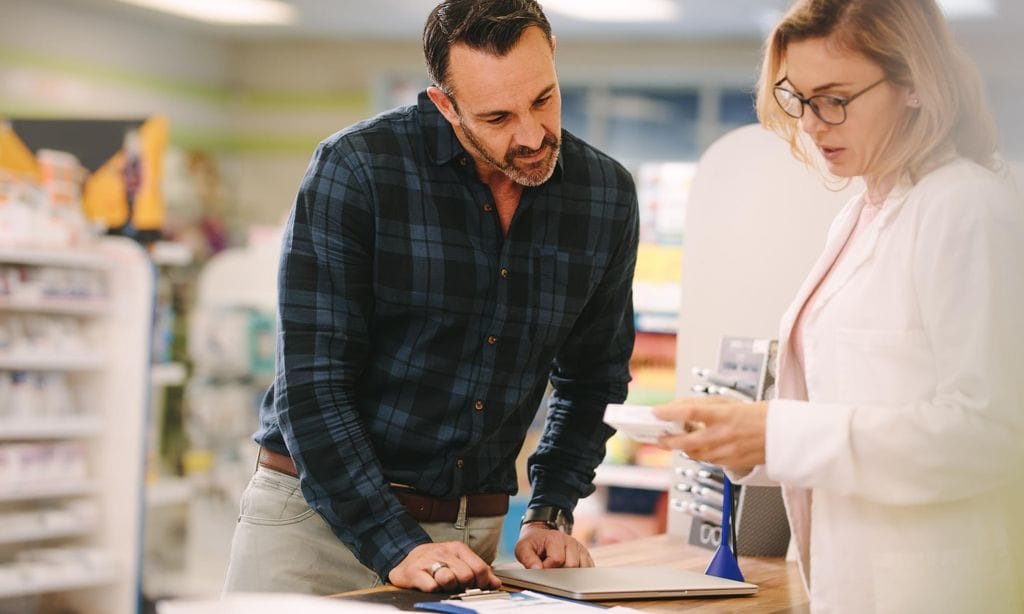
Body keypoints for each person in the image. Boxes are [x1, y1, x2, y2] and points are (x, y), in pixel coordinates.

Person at [223, 0, 639, 596]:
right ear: (444, 105)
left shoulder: (605, 195)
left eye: (543, 100)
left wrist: (551, 507)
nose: (531, 136)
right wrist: (395, 542)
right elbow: (312, 386)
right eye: (497, 117)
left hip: (469, 538)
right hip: (314, 525)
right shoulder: (358, 169)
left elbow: (593, 379)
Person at [654, 1, 1024, 612]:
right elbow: (854, 410)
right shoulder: (864, 211)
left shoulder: (967, 210)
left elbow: (992, 432)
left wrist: (777, 431)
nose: (812, 124)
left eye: (835, 98)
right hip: (851, 581)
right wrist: (742, 438)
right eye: (799, 99)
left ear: (912, 84)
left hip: (939, 588)